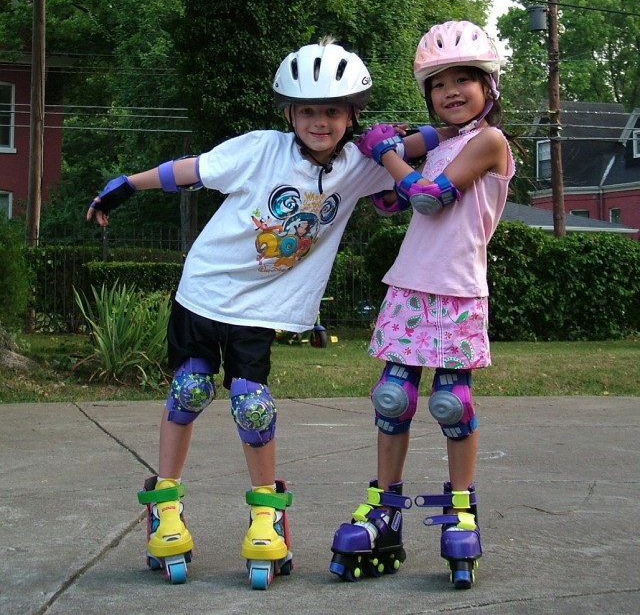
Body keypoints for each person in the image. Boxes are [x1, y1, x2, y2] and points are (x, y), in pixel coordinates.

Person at [86, 37, 424, 589]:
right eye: (307, 111)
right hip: (205, 289)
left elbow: (424, 150)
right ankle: (165, 506)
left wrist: (459, 129)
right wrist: (128, 186)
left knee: (252, 404)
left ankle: (266, 516)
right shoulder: (261, 149)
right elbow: (191, 170)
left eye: (332, 111)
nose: (319, 122)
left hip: (260, 309)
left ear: (352, 116)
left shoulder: (360, 166)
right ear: (289, 114)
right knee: (190, 390)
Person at [329, 20, 516, 590]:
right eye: (438, 84)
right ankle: (385, 510)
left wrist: (389, 155)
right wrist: (377, 147)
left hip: (458, 291)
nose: (451, 91)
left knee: (452, 404)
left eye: (463, 80)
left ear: (489, 87)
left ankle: (460, 510)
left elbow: (430, 198)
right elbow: (388, 186)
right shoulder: (437, 141)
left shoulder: (489, 141)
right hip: (410, 286)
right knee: (393, 399)